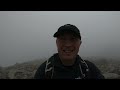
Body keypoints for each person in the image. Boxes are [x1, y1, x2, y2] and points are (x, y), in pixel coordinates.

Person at [34, 24, 105, 79]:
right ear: (56, 43)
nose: (68, 44)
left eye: (73, 39)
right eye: (63, 39)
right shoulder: (44, 71)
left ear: (80, 44)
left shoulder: (89, 69)